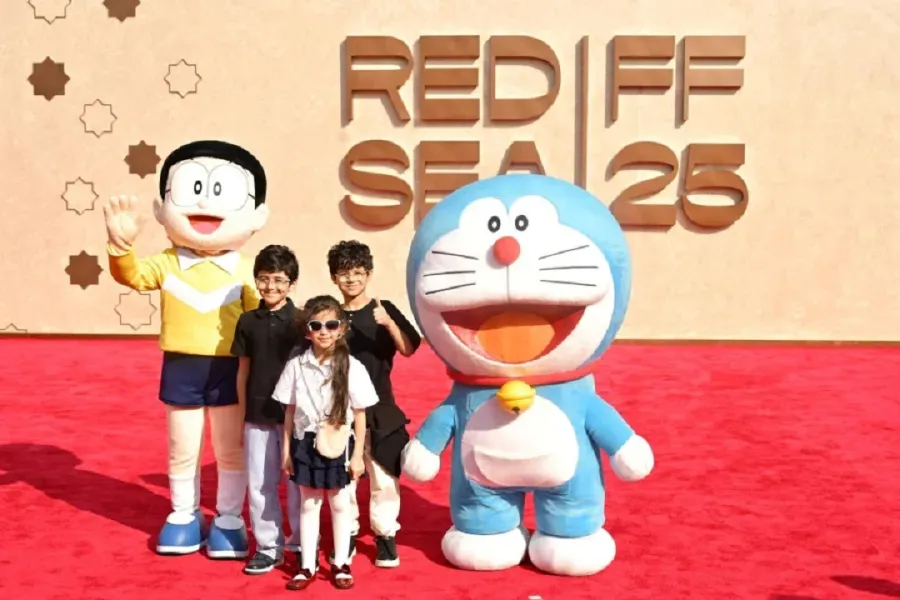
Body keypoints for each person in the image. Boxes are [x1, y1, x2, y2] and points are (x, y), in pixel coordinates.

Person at [103, 140, 271, 559]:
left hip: (232, 370)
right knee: (184, 446)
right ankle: (183, 514)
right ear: (163, 208)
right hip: (181, 366)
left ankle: (229, 518)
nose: (204, 204)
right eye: (191, 190)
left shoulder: (250, 272)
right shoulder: (166, 262)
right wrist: (120, 248)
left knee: (229, 448)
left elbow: (264, 323)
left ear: (257, 215)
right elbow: (135, 277)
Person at [327, 240, 422, 568]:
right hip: (338, 407)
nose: (351, 279)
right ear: (334, 279)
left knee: (384, 473)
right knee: (344, 475)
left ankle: (385, 536)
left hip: (381, 405)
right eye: (343, 274)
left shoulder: (384, 308)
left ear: (368, 274)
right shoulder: (331, 315)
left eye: (357, 272)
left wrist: (388, 323)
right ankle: (348, 532)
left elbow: (409, 349)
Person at [275, 295, 378, 591]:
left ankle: (341, 562)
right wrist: (286, 450)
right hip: (304, 442)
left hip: (339, 442)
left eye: (331, 324)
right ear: (307, 330)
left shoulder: (353, 366)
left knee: (340, 502)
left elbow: (360, 414)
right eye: (316, 325)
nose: (324, 331)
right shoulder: (296, 366)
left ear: (342, 328)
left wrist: (357, 456)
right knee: (309, 503)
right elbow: (289, 411)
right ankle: (306, 566)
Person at [231, 245, 304, 575]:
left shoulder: (304, 321)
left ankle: (302, 542)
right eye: (263, 279)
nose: (270, 286)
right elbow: (243, 372)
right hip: (258, 416)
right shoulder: (247, 322)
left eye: (278, 279)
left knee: (299, 485)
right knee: (260, 484)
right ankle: (268, 547)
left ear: (292, 283)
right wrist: (241, 418)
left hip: (299, 419)